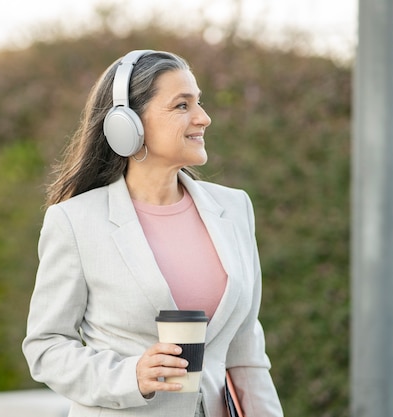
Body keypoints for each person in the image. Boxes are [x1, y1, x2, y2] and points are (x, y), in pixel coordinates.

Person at [22, 50, 283, 417]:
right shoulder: (75, 222)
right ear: (127, 124)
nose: (203, 117)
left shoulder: (235, 209)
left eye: (199, 102)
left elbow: (246, 351)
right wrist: (132, 376)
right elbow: (47, 348)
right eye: (181, 105)